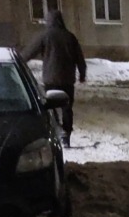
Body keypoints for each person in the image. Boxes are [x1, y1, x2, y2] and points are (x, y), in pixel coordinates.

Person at [21, 9, 87, 146]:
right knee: (67, 108)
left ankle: (56, 128)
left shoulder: (45, 36)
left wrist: (19, 62)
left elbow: (29, 52)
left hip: (50, 79)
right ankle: (66, 135)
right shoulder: (70, 37)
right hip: (67, 79)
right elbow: (79, 58)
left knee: (51, 107)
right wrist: (82, 73)